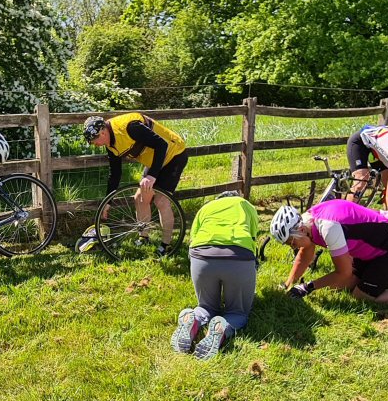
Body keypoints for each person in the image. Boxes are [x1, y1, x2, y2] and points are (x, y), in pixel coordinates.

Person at [269, 200, 388, 312]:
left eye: (292, 243)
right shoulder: (308, 222)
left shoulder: (328, 228)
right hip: (373, 249)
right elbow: (306, 253)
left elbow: (342, 273)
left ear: (301, 229)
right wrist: (287, 284)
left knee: (361, 296)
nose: (293, 247)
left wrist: (307, 287)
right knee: (344, 288)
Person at [82, 113, 188, 255]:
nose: (95, 145)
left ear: (102, 132)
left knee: (161, 200)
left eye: (94, 141)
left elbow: (162, 145)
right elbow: (115, 174)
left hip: (173, 154)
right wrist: (108, 202)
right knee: (139, 198)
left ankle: (166, 245)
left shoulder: (130, 127)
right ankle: (144, 237)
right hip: (155, 159)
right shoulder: (110, 144)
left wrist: (152, 176)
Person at [171, 192, 259, 360]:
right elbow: (253, 237)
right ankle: (222, 326)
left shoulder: (205, 208)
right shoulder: (246, 205)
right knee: (237, 312)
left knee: (207, 307)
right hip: (238, 257)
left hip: (201, 257)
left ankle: (193, 318)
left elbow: (193, 238)